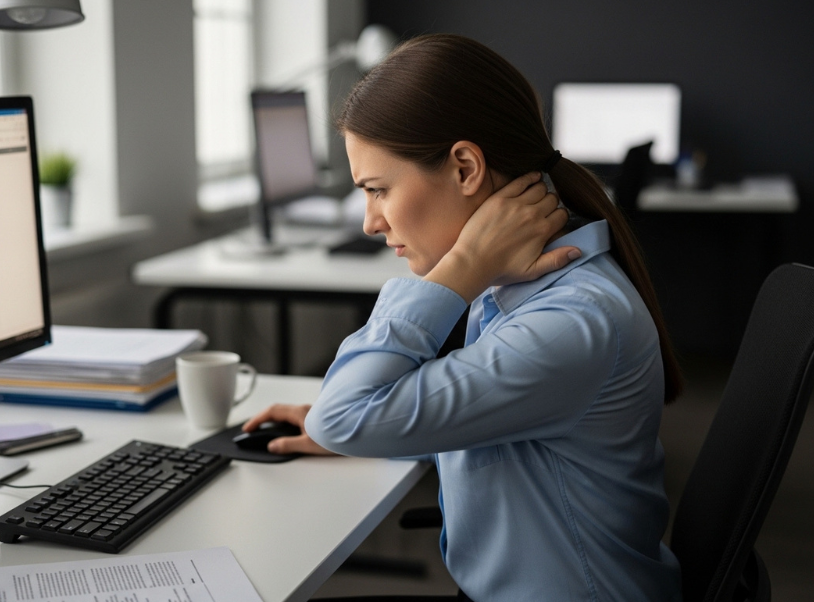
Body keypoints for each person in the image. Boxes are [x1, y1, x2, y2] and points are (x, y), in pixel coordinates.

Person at [243, 34, 684, 602]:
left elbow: (342, 417)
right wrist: (382, 425)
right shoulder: (531, 288)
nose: (370, 222)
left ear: (466, 167)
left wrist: (461, 269)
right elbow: (498, 424)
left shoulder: (571, 320)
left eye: (379, 190)